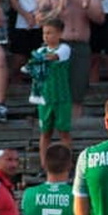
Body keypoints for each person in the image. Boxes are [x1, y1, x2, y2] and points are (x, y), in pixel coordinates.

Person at [35, 0, 105, 119]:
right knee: (54, 94)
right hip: (57, 44)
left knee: (77, 94)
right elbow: (39, 19)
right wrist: (58, 9)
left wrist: (87, 7)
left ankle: (74, 131)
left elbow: (100, 19)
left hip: (80, 45)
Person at [27, 19, 73, 160]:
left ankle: (66, 162)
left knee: (63, 132)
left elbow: (53, 57)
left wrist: (37, 59)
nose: (46, 36)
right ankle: (44, 164)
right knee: (45, 132)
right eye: (44, 33)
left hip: (62, 97)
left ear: (59, 33)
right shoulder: (41, 50)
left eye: (49, 33)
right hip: (45, 99)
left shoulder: (65, 48)